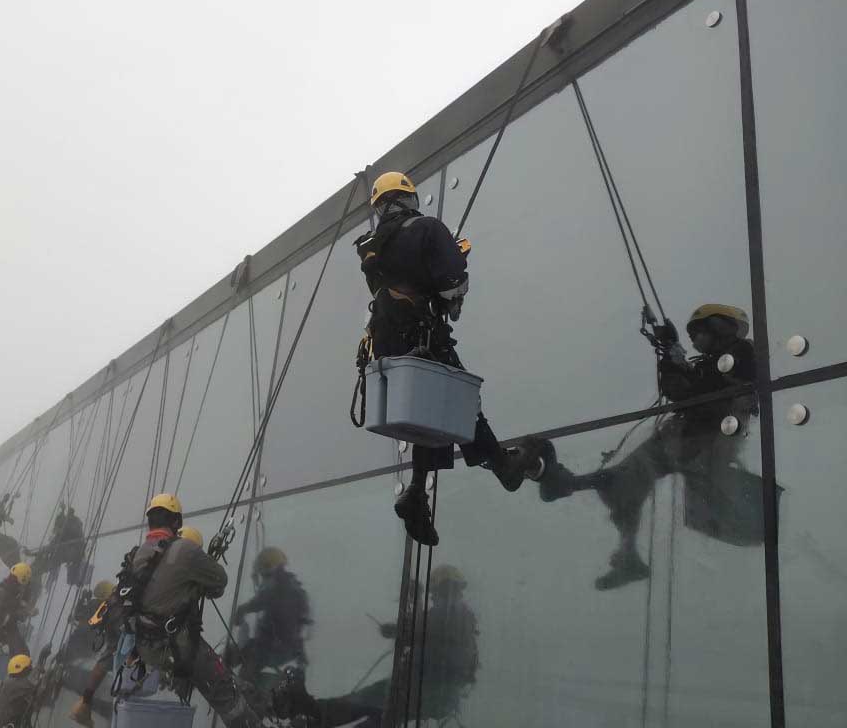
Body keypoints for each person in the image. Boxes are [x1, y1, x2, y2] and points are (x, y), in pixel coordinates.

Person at [354, 171, 551, 546]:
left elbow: (389, 284)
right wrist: (453, 288)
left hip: (387, 344)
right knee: (459, 400)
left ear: (379, 207)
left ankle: (418, 490)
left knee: (432, 411)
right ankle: (503, 467)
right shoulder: (427, 228)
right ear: (410, 198)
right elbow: (452, 284)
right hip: (422, 335)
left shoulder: (370, 245)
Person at [538, 303, 758, 589]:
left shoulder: (740, 354)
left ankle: (570, 485)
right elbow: (694, 385)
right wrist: (673, 352)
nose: (694, 340)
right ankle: (625, 551)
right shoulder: (722, 362)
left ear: (718, 327)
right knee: (627, 483)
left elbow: (689, 389)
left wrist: (671, 355)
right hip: (695, 436)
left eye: (698, 332)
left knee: (627, 477)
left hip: (701, 438)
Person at [274, 565, 478, 728]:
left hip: (424, 692)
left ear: (443, 590)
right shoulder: (455, 618)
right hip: (423, 691)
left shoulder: (452, 614)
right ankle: (310, 716)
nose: (436, 598)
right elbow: (428, 630)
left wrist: (397, 629)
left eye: (436, 593)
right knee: (374, 714)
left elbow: (425, 625)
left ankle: (308, 714)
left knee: (362, 702)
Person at [121, 494, 260, 728]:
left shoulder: (139, 553)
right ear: (176, 522)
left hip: (147, 645)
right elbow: (219, 581)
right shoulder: (184, 550)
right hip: (177, 645)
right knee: (225, 692)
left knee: (216, 674)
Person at [228, 547, 311, 682]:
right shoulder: (292, 586)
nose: (262, 580)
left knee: (242, 672)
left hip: (275, 648)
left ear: (268, 569)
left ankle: (241, 696)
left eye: (262, 575)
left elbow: (262, 600)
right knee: (235, 654)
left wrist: (242, 610)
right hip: (287, 648)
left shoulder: (280, 586)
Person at [66, 580, 121, 727]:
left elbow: (78, 619)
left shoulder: (92, 610)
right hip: (82, 663)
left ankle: (91, 707)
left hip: (77, 661)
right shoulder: (102, 609)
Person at [0, 562, 37, 656]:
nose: (24, 587)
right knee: (21, 655)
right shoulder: (1, 593)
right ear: (19, 580)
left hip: (9, 630)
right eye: (25, 583)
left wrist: (27, 610)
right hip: (0, 634)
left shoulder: (12, 593)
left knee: (24, 654)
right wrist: (23, 613)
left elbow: (15, 607)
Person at [0, 653, 47, 728]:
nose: (31, 670)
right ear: (23, 670)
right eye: (29, 668)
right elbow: (32, 685)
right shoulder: (14, 684)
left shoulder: (9, 684)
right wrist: (41, 659)